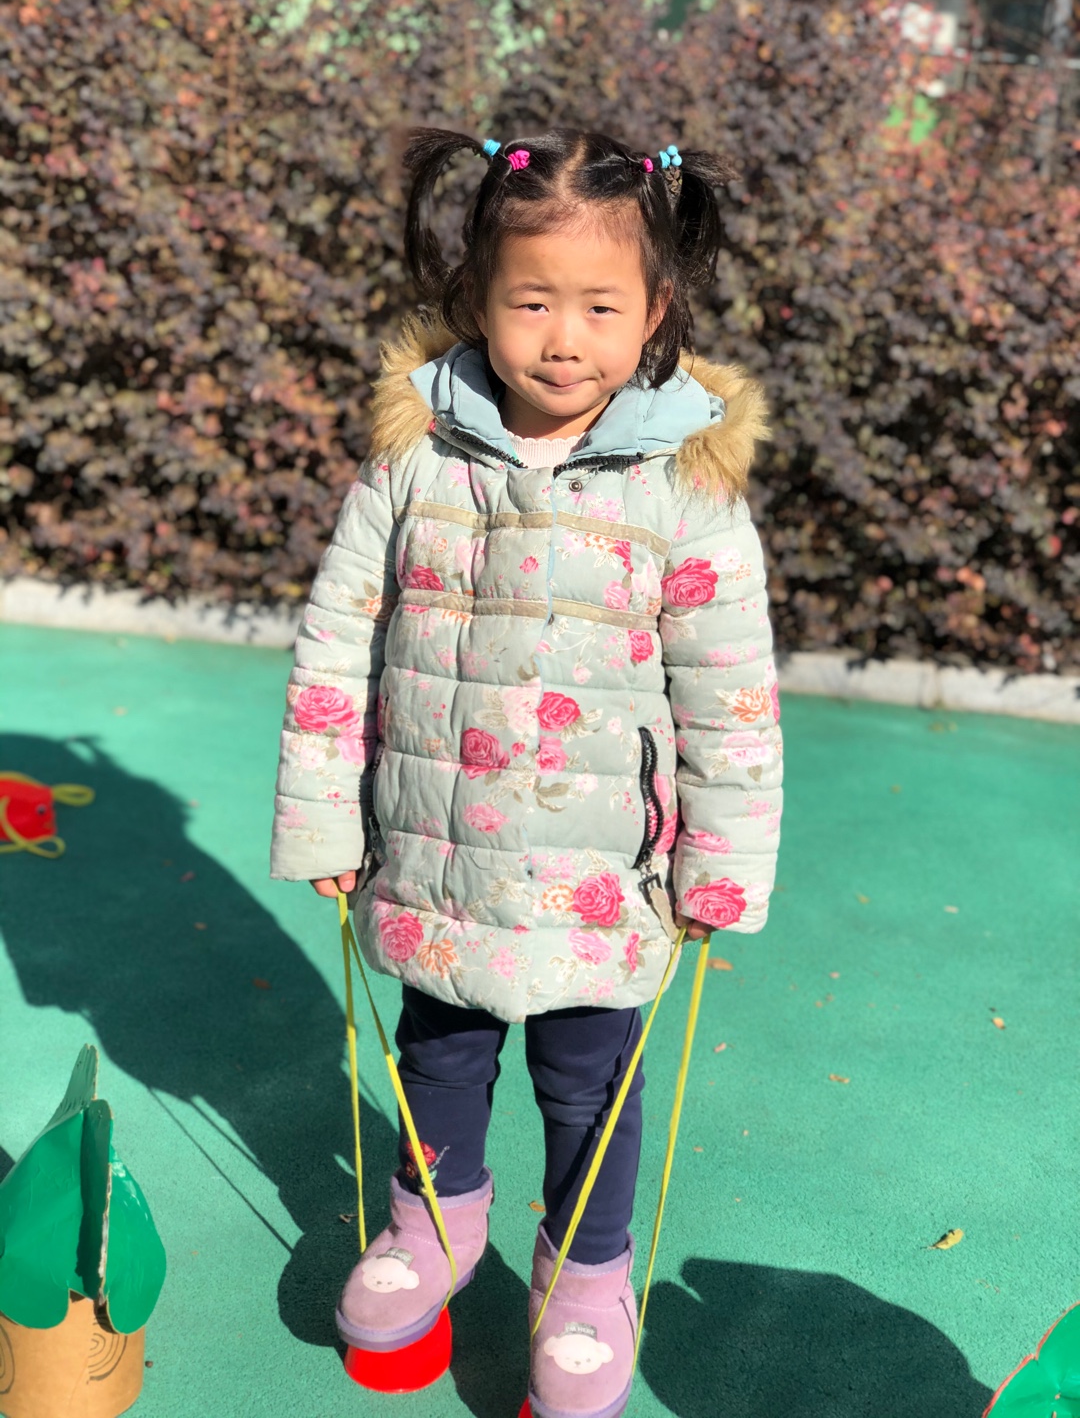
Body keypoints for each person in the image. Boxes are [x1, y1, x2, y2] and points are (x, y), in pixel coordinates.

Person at [271, 125, 782, 1418]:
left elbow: (730, 698)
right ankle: (431, 1224)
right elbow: (338, 641)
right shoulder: (417, 460)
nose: (564, 339)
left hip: (602, 876)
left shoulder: (686, 487)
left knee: (588, 1084)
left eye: (601, 306)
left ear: (654, 311)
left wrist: (721, 865)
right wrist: (325, 815)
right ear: (478, 299)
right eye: (531, 301)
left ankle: (588, 1276)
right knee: (436, 1052)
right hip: (434, 851)